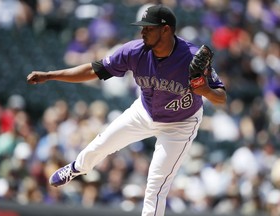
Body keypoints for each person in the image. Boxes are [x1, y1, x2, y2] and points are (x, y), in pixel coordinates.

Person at [27, 5, 226, 216]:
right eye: (143, 28)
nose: (143, 32)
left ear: (166, 30)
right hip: (145, 110)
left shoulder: (190, 56)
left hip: (180, 123)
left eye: (149, 28)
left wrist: (204, 89)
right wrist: (50, 75)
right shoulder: (133, 51)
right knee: (102, 142)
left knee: (156, 184)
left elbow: (221, 97)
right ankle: (77, 167)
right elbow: (93, 70)